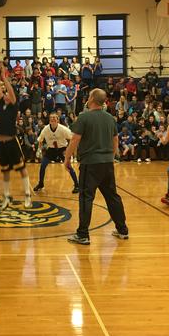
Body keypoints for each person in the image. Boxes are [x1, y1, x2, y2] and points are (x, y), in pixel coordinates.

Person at [64, 88, 129, 245]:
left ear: (91, 98)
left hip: (90, 164)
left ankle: (83, 234)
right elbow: (115, 141)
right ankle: (122, 230)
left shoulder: (84, 117)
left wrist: (67, 159)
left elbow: (74, 140)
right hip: (107, 164)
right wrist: (111, 156)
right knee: (112, 196)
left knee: (86, 198)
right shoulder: (110, 118)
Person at [0, 62, 32, 210]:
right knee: (5, 171)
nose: (6, 94)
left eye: (8, 93)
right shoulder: (2, 102)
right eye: (5, 93)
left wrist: (5, 77)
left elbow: (8, 89)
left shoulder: (14, 104)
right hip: (1, 143)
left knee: (21, 168)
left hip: (11, 141)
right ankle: (7, 196)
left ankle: (28, 194)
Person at [34, 113, 79, 194]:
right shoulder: (46, 129)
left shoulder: (63, 129)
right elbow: (40, 140)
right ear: (49, 120)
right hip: (51, 150)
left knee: (68, 166)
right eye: (51, 117)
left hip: (62, 149)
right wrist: (39, 150)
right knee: (43, 165)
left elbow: (73, 139)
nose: (53, 119)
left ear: (58, 119)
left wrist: (68, 150)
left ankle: (77, 185)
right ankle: (41, 184)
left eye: (54, 117)